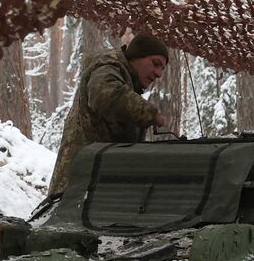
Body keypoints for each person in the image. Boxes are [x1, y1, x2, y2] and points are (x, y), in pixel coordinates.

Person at [47, 34, 170, 195]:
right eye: (155, 64)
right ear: (136, 56)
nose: (158, 73)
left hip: (97, 189)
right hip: (77, 189)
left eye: (162, 68)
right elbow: (103, 93)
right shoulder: (107, 67)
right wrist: (150, 113)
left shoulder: (126, 81)